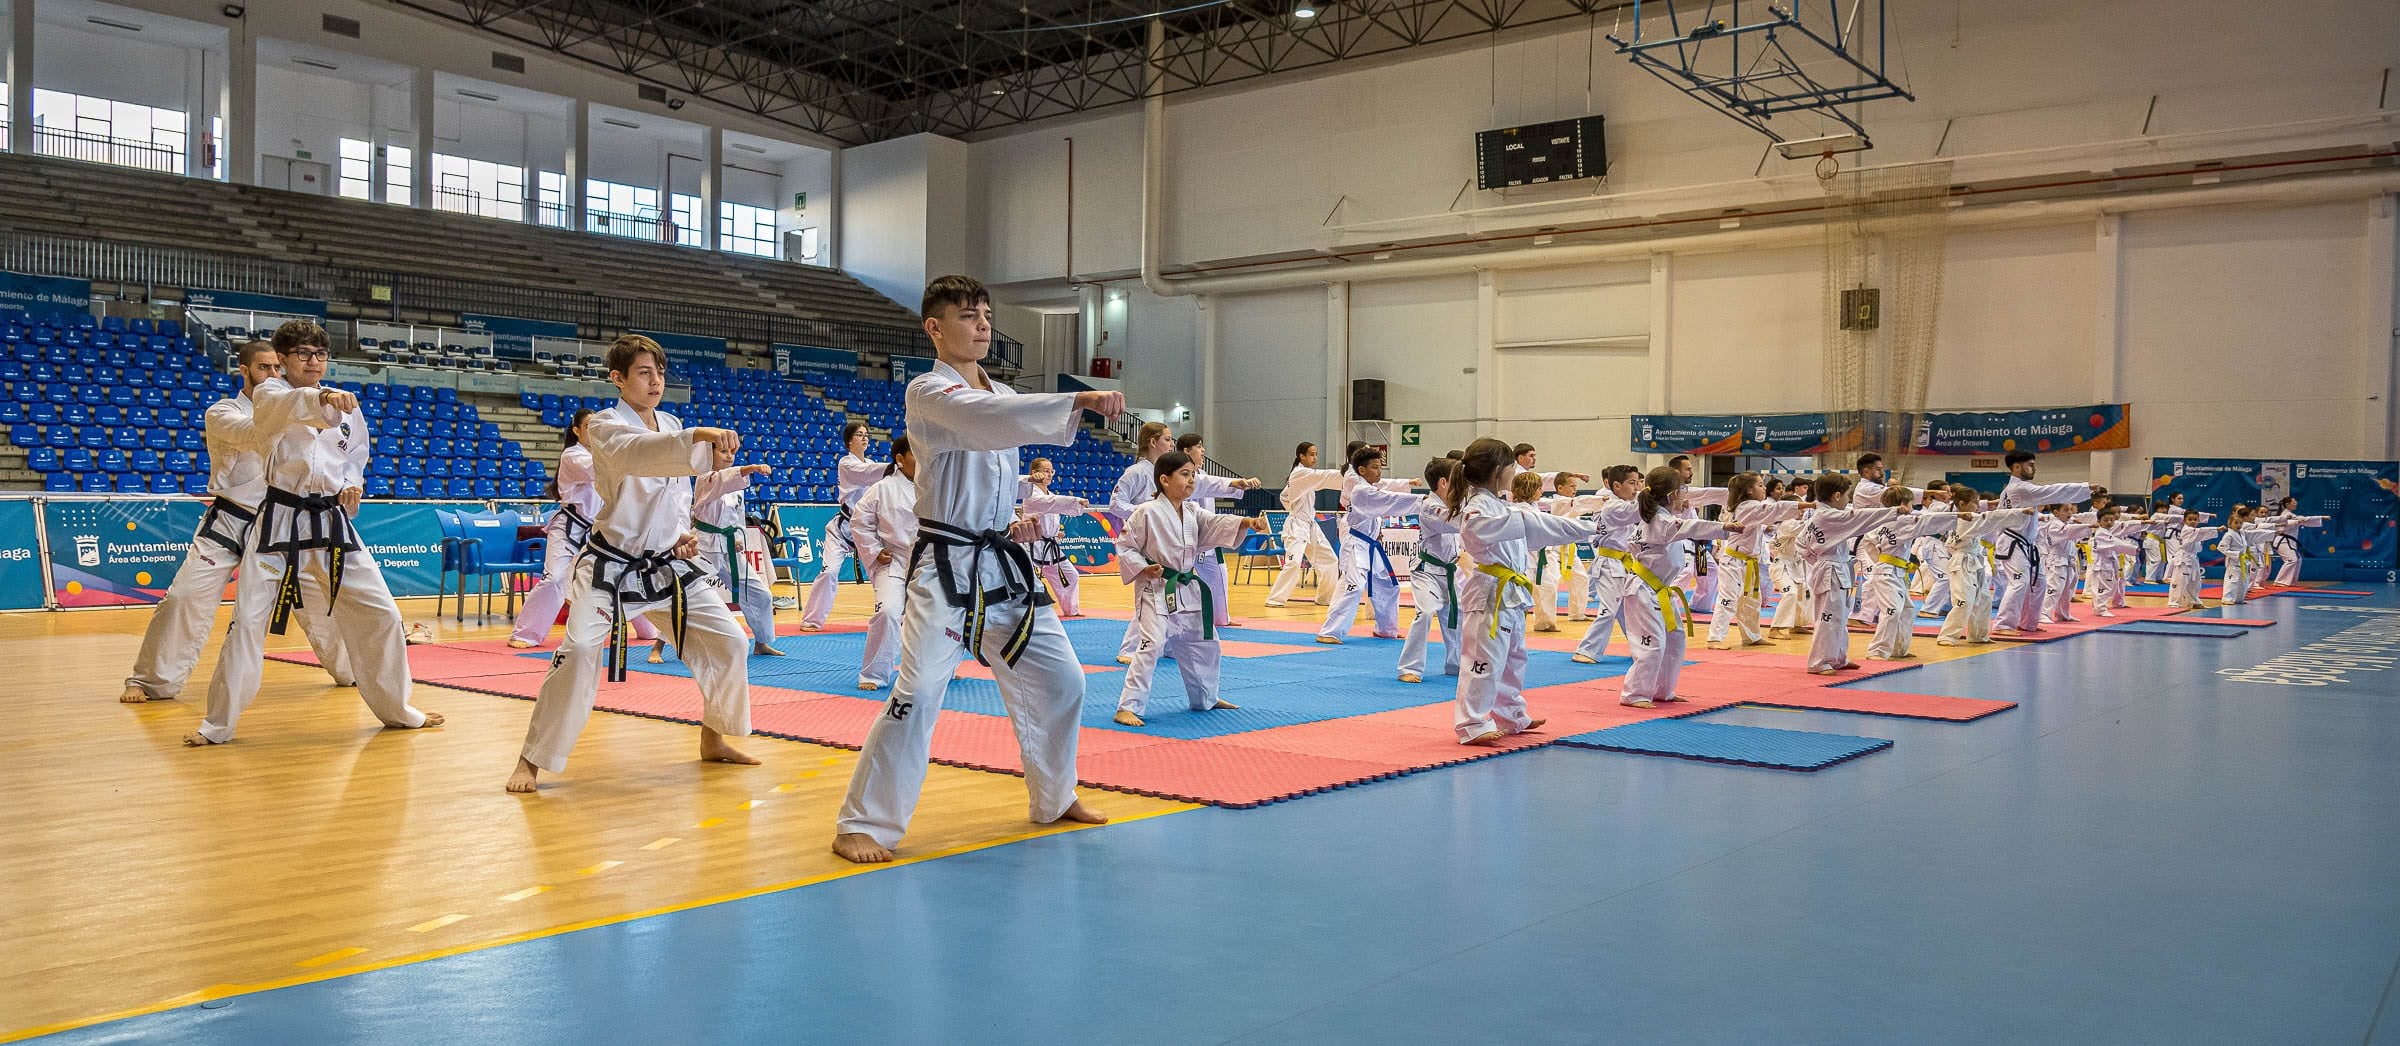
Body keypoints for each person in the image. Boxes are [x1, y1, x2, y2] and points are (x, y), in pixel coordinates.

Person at [832, 276, 1123, 864]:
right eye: (969, 315)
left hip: (1001, 566)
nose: (984, 324)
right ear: (935, 328)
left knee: (1064, 680)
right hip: (944, 568)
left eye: (987, 313)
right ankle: (862, 823)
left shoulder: (1002, 395)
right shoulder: (929, 392)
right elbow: (988, 418)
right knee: (916, 693)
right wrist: (1074, 401)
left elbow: (997, 443)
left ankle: (1054, 794)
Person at [505, 335, 756, 792]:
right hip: (609, 566)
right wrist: (699, 436)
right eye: (644, 372)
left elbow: (677, 492)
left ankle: (713, 739)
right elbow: (641, 454)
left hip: (664, 566)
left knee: (731, 642)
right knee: (579, 651)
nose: (655, 380)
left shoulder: (671, 421)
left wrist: (681, 534)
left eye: (659, 372)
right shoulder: (603, 426)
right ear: (617, 379)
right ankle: (531, 759)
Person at [185, 321, 440, 746]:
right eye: (303, 353)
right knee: (247, 622)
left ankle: (399, 710)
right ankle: (217, 725)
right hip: (279, 521)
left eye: (320, 354)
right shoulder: (270, 394)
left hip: (331, 522)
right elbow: (292, 406)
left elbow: (356, 452)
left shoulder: (347, 406)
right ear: (281, 360)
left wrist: (352, 482)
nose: (314, 361)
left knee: (382, 613)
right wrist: (322, 396)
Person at [122, 340, 353, 703]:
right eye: (264, 369)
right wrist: (302, 408)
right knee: (184, 598)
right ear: (244, 371)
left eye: (278, 368)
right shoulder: (223, 412)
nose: (273, 376)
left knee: (319, 603)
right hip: (232, 521)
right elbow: (255, 433)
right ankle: (151, 680)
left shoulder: (298, 410)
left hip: (286, 525)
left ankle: (352, 671)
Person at [1450, 438, 1600, 743]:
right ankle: (1472, 723)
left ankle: (1511, 714)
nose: (1515, 471)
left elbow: (1538, 529)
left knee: (1513, 658)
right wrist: (1526, 519)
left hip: (1511, 592)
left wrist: (1591, 528)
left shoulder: (1502, 505)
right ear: (1497, 471)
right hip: (1490, 591)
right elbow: (1513, 526)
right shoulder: (1478, 508)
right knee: (1483, 660)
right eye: (1511, 466)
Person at [1112, 451, 1266, 726]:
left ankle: (1205, 698)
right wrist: (1143, 568)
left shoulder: (1193, 511)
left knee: (1205, 642)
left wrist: (1247, 522)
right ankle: (1128, 706)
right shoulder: (1145, 512)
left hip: (1186, 586)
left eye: (1193, 474)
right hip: (1156, 588)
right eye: (1184, 474)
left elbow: (1214, 524)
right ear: (1164, 480)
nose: (1191, 480)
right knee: (1151, 645)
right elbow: (1125, 547)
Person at [510, 409, 660, 652]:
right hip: (569, 526)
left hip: (600, 530)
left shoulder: (608, 455)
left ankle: (647, 629)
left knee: (625, 576)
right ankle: (527, 633)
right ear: (577, 431)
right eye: (589, 426)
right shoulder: (573, 455)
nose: (595, 430)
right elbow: (601, 468)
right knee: (555, 578)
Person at [1616, 467, 1739, 707]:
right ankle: (1635, 694)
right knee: (1651, 643)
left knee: (1675, 640)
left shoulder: (1659, 516)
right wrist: (1723, 528)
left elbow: (1684, 524)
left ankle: (1662, 690)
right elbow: (1688, 528)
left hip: (1660, 589)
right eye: (1683, 490)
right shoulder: (1659, 520)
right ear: (1673, 494)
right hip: (1643, 589)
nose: (1686, 494)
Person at [1796, 475, 1905, 675]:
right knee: (1828, 617)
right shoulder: (1827, 516)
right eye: (1847, 495)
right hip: (1830, 570)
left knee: (1840, 615)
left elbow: (1801, 544)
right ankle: (1818, 661)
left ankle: (1838, 657)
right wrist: (1893, 511)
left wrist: (1818, 560)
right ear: (1837, 495)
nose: (1848, 500)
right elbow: (1859, 517)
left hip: (1835, 568)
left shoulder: (1822, 515)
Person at [1314, 446, 1419, 644]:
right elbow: (1391, 500)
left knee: (1388, 585)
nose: (1379, 472)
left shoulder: (1368, 487)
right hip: (1356, 544)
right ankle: (1330, 631)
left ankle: (1386, 629)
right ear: (1362, 470)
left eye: (1380, 467)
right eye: (1375, 467)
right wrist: (1422, 501)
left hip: (1370, 544)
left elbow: (1385, 497)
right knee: (1352, 586)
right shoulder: (1361, 490)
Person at [691, 441, 783, 656]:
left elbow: (737, 515)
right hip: (704, 545)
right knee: (687, 590)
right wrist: (752, 468)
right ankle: (659, 645)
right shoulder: (705, 477)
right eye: (723, 451)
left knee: (761, 594)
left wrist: (738, 534)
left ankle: (762, 642)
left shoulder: (736, 489)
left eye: (732, 452)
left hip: (728, 546)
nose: (729, 455)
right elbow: (722, 480)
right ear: (709, 454)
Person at [1993, 452, 2092, 636]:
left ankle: (2028, 623)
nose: (2034, 468)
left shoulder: (2011, 490)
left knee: (2039, 583)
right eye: (2030, 464)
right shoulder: (2020, 489)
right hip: (2013, 544)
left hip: (2025, 544)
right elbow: (2052, 491)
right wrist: (2084, 488)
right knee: (2019, 583)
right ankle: (2003, 624)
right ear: (2016, 467)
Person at [1859, 487, 1964, 661]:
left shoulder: (1883, 520)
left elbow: (1867, 540)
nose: (1912, 507)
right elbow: (1930, 521)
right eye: (1910, 503)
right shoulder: (1904, 521)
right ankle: (1876, 651)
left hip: (1894, 571)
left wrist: (1879, 558)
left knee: (1907, 610)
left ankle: (1899, 649)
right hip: (1886, 571)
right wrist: (1958, 516)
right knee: (1892, 610)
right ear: (1903, 505)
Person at [799, 421, 885, 632]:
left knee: (883, 574)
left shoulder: (873, 465)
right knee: (829, 572)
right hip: (842, 530)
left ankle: (892, 615)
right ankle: (812, 620)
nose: (865, 438)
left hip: (867, 532)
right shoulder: (847, 464)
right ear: (849, 441)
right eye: (859, 434)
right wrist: (898, 467)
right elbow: (868, 472)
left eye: (866, 434)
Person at [1704, 472, 1804, 650]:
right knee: (1728, 599)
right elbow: (1775, 509)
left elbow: (1769, 515)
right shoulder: (1746, 507)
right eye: (1760, 485)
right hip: (1734, 561)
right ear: (1749, 490)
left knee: (1751, 601)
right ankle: (1715, 638)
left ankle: (1752, 636)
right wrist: (1809, 503)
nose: (1764, 488)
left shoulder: (1752, 506)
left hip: (1749, 562)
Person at [1174, 432, 1262, 630]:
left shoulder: (1202, 475)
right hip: (1182, 535)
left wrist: (1238, 483)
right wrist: (1236, 483)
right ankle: (1178, 622)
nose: (1203, 450)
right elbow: (1209, 485)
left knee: (1217, 575)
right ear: (1186, 451)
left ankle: (1220, 618)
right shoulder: (1176, 475)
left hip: (1206, 533)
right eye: (1199, 446)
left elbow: (1212, 484)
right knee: (1179, 581)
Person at [1108, 421, 1177, 663]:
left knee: (1170, 591)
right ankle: (1129, 648)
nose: (1172, 444)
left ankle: (1168, 642)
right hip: (1140, 539)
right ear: (1152, 442)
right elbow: (1115, 504)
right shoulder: (1136, 472)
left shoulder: (1163, 474)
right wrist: (1143, 510)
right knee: (1149, 593)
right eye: (1167, 439)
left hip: (1161, 539)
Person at [855, 436, 918, 690]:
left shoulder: (935, 487)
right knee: (888, 611)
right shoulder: (882, 488)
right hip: (892, 559)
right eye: (916, 453)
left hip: (928, 563)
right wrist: (874, 549)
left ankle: (938, 670)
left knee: (935, 618)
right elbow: (860, 522)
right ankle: (874, 674)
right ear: (900, 460)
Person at [1569, 465, 1646, 665]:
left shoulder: (1622, 503)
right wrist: (1655, 494)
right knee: (1609, 610)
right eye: (1632, 483)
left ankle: (1640, 648)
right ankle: (1586, 650)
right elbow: (1637, 511)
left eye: (1638, 483)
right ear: (1616, 486)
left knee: (1627, 610)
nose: (1636, 488)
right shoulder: (1614, 506)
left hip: (1623, 563)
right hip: (1609, 564)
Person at [1398, 456, 1462, 684]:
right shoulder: (1430, 506)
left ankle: (1456, 664)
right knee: (1425, 612)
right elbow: (1458, 523)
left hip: (1451, 571)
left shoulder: (1455, 503)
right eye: (1458, 478)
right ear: (1444, 482)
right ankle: (1410, 667)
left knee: (1457, 616)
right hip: (1427, 571)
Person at [1936, 505, 2037, 646]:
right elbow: (1991, 517)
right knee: (1963, 601)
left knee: (1984, 600)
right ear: (1962, 502)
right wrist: (2019, 511)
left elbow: (1990, 518)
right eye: (1973, 502)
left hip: (1975, 561)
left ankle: (1978, 635)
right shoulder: (1965, 520)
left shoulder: (1966, 519)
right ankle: (1947, 636)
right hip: (1962, 562)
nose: (1977, 505)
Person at [1264, 441, 1345, 607]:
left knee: (1330, 560)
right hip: (1297, 526)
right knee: (1293, 563)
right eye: (1311, 454)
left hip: (1310, 525)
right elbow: (1324, 477)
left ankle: (1325, 598)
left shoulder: (1304, 475)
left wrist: (1293, 506)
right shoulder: (1300, 473)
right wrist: (1345, 473)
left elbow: (1284, 495)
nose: (1315, 458)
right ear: (1302, 456)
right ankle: (1275, 599)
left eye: (1316, 454)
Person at [1018, 458, 1090, 617]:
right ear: (1034, 473)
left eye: (1052, 471)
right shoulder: (1032, 494)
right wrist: (1076, 501)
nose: (1050, 474)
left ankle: (1071, 610)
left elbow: (1052, 511)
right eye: (1046, 470)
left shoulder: (1049, 493)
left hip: (1050, 546)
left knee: (1071, 575)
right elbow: (1051, 503)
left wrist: (1055, 533)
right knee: (1029, 580)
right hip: (1032, 545)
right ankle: (1026, 613)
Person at [1510, 470, 1563, 633]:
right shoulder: (1516, 510)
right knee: (1519, 595)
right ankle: (1513, 625)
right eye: (1539, 488)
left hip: (1540, 558)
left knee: (1548, 588)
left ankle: (1545, 622)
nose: (1542, 491)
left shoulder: (1535, 506)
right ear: (1531, 489)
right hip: (1522, 560)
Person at [2163, 510, 2223, 609]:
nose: (2193, 521)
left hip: (2193, 559)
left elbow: (2198, 545)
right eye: (2190, 519)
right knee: (2180, 581)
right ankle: (2174, 602)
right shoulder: (2187, 530)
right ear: (2184, 520)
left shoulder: (2195, 533)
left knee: (2195, 581)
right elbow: (2200, 532)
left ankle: (2193, 600)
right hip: (2184, 559)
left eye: (2195, 519)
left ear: (2198, 520)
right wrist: (2216, 529)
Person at [2264, 497, 2330, 587]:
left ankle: (2291, 582)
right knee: (2291, 560)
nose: (2296, 503)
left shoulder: (2291, 515)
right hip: (2283, 541)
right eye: (2294, 502)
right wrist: (2296, 521)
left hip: (2289, 541)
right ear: (2287, 504)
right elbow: (2286, 524)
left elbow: (2304, 519)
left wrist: (2321, 517)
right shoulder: (2285, 515)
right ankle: (2280, 581)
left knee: (2298, 560)